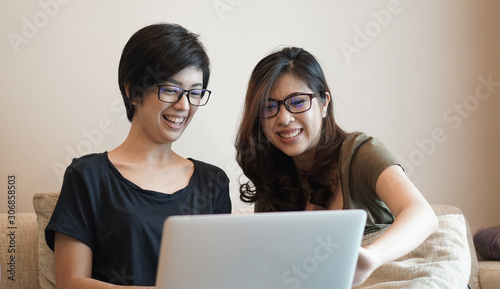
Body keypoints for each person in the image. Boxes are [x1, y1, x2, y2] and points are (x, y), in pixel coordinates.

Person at [45, 23, 231, 288]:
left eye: (195, 92)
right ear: (133, 91)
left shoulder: (213, 182)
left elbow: (221, 277)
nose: (184, 105)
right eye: (170, 89)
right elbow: (71, 282)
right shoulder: (88, 176)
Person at [235, 47, 438, 287]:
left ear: (323, 103)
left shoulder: (361, 153)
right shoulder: (272, 181)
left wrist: (370, 257)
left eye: (297, 102)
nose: (283, 118)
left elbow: (422, 214)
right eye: (269, 107)